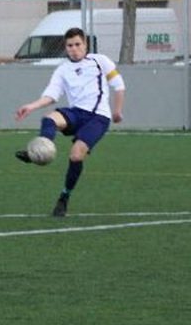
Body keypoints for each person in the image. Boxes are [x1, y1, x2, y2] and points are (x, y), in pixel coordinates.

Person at [14, 27, 126, 217]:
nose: (74, 49)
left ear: (85, 44)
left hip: (98, 117)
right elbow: (51, 95)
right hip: (76, 113)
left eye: (77, 44)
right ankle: (41, 150)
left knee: (75, 156)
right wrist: (31, 106)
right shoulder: (63, 70)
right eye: (69, 45)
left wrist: (117, 111)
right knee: (49, 120)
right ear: (65, 47)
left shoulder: (100, 61)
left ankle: (64, 198)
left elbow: (119, 86)